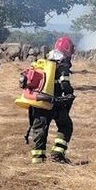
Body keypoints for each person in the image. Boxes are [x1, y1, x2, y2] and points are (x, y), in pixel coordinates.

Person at [29, 36, 76, 164]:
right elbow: (65, 85)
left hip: (39, 101)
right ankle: (57, 154)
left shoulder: (44, 60)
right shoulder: (63, 63)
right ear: (68, 49)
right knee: (66, 126)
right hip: (55, 102)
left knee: (40, 130)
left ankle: (38, 160)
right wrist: (69, 94)